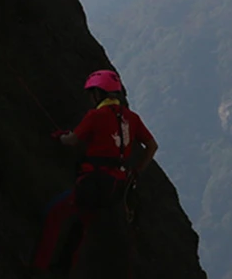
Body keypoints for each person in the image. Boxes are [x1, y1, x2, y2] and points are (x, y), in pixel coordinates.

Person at [37, 69, 158, 276]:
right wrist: (137, 171)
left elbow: (73, 140)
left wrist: (60, 137)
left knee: (54, 213)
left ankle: (38, 268)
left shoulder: (96, 116)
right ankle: (62, 270)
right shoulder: (132, 118)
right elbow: (152, 146)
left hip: (93, 183)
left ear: (98, 93)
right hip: (116, 187)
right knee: (82, 226)